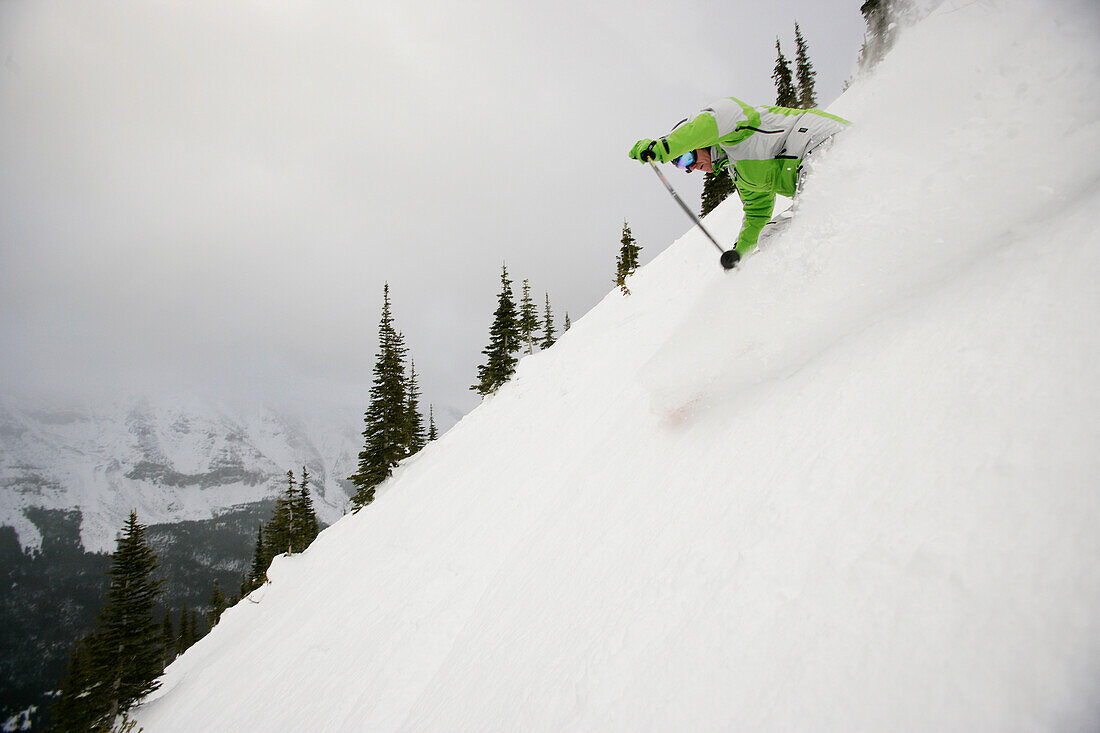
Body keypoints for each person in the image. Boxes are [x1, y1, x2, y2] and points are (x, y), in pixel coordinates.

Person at [630, 96, 850, 262]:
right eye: (683, 166)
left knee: (800, 228)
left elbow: (709, 122)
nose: (692, 166)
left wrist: (663, 148)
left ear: (701, 141)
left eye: (687, 156)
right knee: (772, 237)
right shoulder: (741, 173)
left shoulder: (736, 124)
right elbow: (757, 213)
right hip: (818, 167)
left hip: (823, 143)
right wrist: (739, 254)